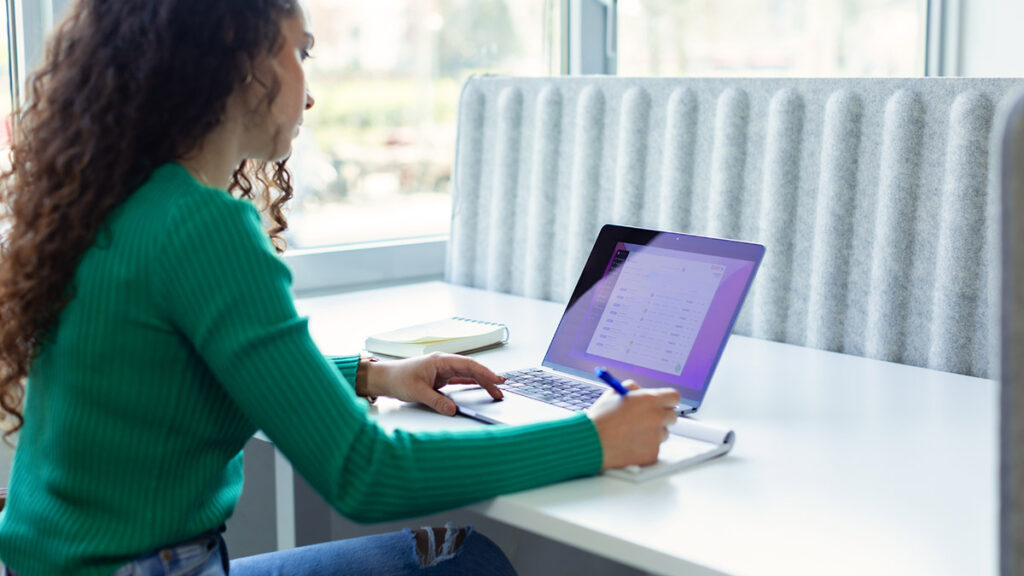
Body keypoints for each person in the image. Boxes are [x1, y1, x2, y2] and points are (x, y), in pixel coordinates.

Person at [0, 1, 680, 574]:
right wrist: (596, 440)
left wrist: (374, 375)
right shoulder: (202, 227)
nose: (310, 89)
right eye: (301, 52)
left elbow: (188, 375)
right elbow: (363, 471)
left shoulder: (111, 202)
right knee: (464, 560)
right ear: (240, 56)